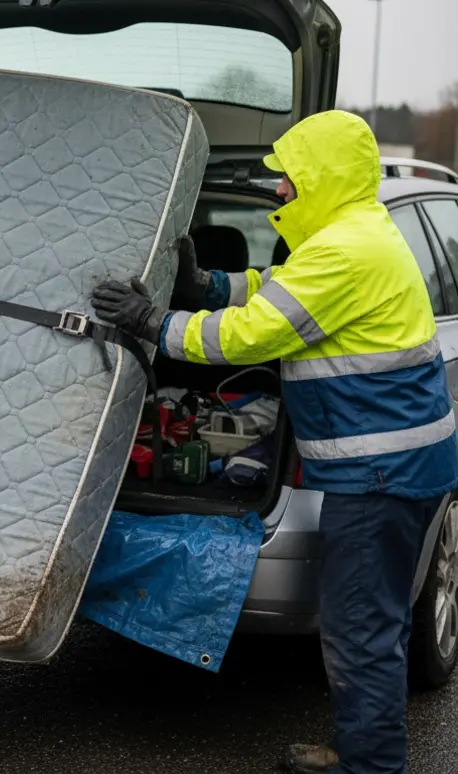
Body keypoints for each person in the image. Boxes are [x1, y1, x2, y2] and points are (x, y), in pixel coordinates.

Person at [91, 110, 458, 774]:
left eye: (289, 178)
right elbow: (276, 289)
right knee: (371, 625)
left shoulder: (346, 251)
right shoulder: (350, 235)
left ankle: (369, 767)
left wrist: (155, 320)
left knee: (360, 633)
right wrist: (210, 287)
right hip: (390, 470)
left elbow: (248, 336)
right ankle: (359, 749)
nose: (282, 191)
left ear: (322, 176)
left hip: (378, 477)